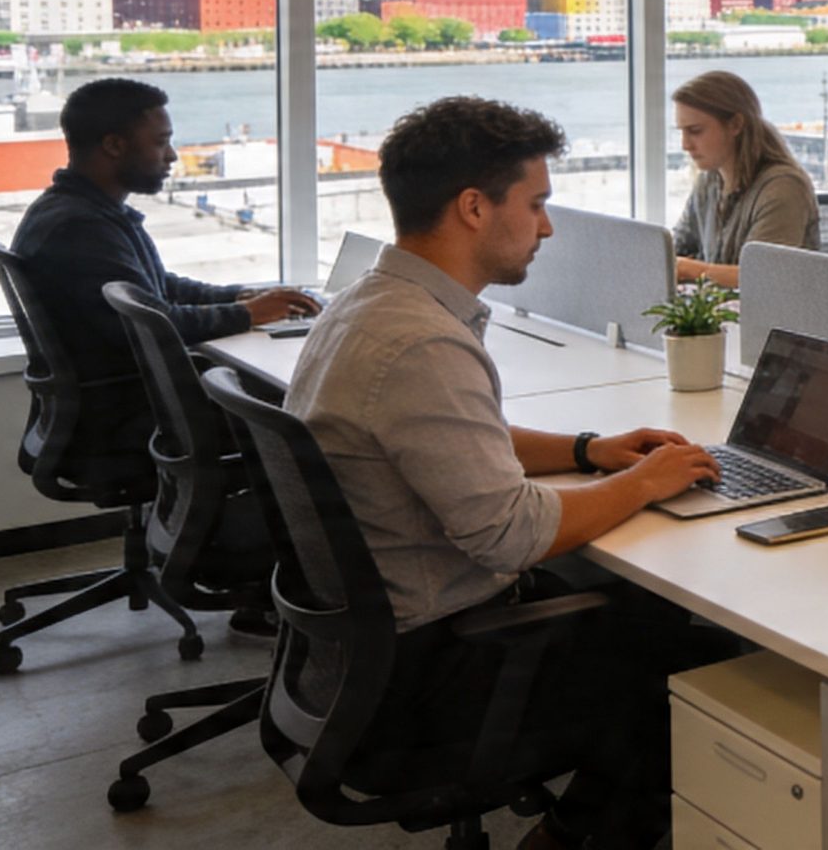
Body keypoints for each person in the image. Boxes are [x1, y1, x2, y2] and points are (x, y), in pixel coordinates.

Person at [287, 97, 736, 850]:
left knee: (652, 617)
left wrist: (591, 451)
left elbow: (463, 440)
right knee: (706, 683)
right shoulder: (421, 344)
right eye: (536, 204)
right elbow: (513, 534)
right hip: (436, 675)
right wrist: (647, 481)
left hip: (373, 654)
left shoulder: (370, 303)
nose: (548, 227)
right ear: (472, 208)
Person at [8, 78, 320, 460]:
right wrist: (245, 314)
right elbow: (151, 324)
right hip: (124, 419)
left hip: (120, 404)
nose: (172, 155)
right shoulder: (80, 229)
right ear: (114, 145)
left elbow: (156, 288)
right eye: (160, 142)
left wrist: (238, 297)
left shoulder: (81, 211)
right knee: (308, 416)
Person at [671, 70, 818, 288]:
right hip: (722, 313)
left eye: (695, 131)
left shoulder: (783, 189)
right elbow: (677, 248)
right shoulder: (709, 180)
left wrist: (688, 269)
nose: (685, 144)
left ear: (735, 125)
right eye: (682, 131)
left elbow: (763, 277)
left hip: (771, 319)